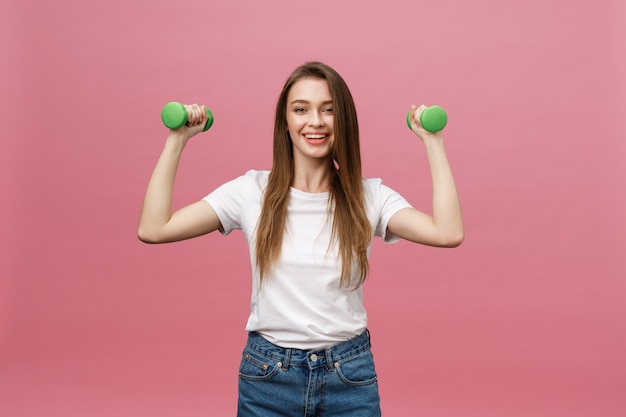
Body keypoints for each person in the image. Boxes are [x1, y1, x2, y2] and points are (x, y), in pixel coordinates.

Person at [138, 61, 464, 417]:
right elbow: (155, 228)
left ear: (344, 121)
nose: (316, 121)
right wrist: (177, 140)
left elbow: (448, 233)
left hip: (349, 376)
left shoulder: (369, 197)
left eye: (328, 110)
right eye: (301, 109)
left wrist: (433, 142)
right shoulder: (252, 191)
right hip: (268, 377)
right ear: (286, 122)